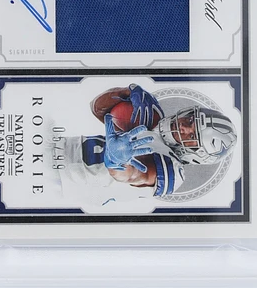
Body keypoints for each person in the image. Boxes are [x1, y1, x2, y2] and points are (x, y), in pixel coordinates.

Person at [55, 84, 237, 206]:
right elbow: (97, 108)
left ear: (196, 153)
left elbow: (133, 175)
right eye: (190, 121)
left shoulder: (173, 170)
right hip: (59, 145)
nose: (183, 127)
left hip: (62, 180)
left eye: (192, 135)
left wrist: (116, 161)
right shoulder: (152, 116)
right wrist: (128, 92)